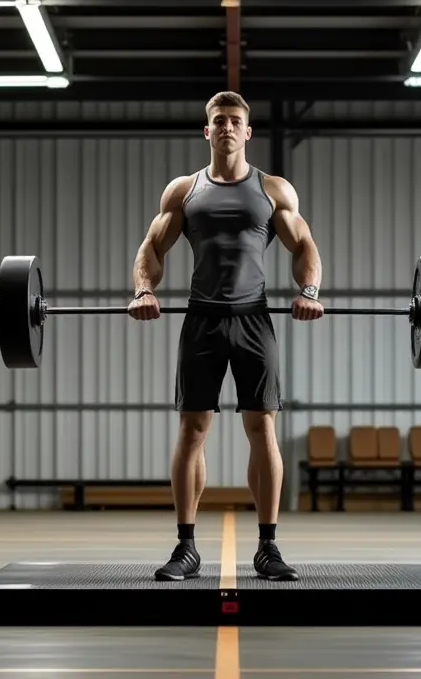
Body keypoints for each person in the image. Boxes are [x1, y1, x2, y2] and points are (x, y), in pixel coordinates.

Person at [127, 91, 324, 582]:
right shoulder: (184, 191)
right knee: (193, 430)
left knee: (262, 429)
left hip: (254, 320)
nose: (228, 128)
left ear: (248, 131)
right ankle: (186, 547)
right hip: (202, 320)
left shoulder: (274, 190)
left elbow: (304, 246)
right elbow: (153, 246)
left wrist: (310, 290)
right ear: (207, 130)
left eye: (236, 121)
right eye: (220, 121)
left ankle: (268, 547)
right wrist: (143, 290)